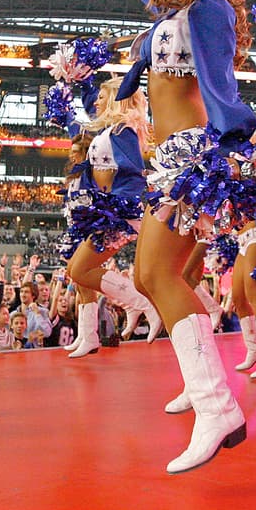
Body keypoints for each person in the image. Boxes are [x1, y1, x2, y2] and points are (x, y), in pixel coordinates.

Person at [117, 0, 256, 473]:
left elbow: (219, 79)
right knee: (148, 277)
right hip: (172, 158)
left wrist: (233, 140)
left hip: (192, 154)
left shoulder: (208, 10)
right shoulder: (172, 15)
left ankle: (216, 404)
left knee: (156, 276)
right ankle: (201, 384)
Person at [62, 77, 158, 358]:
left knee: (79, 270)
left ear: (115, 99)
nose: (96, 101)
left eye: (102, 97)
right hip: (103, 212)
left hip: (116, 213)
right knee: (78, 273)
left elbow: (133, 173)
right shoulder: (108, 130)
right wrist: (81, 80)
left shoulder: (122, 129)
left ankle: (142, 304)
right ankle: (90, 335)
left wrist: (115, 208)